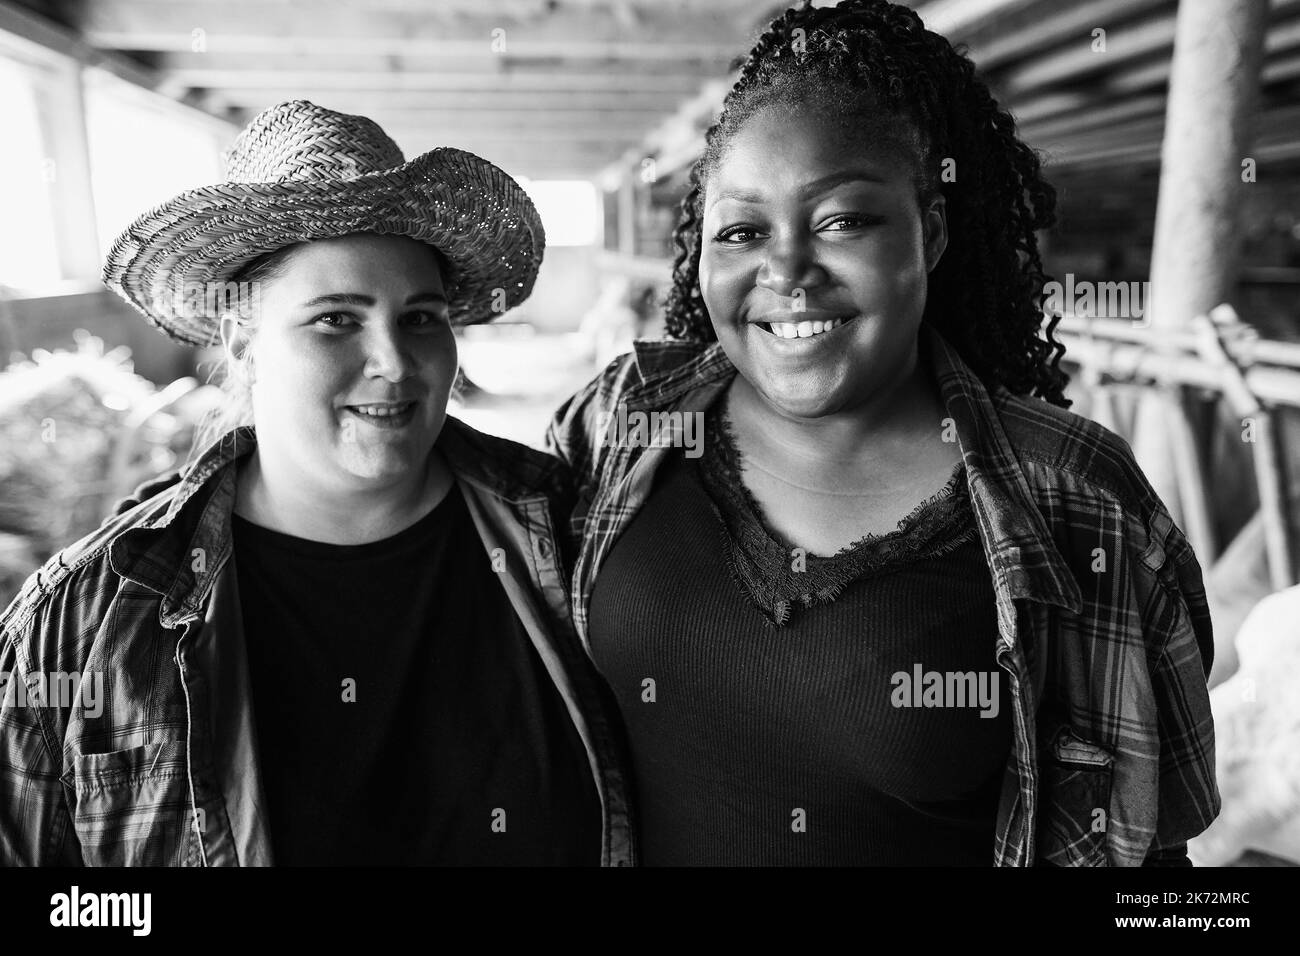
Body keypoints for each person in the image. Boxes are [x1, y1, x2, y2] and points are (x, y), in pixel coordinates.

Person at [546, 0, 1218, 866]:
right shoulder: (622, 424)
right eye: (743, 230)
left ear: (929, 231)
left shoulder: (1078, 498)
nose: (785, 270)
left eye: (842, 220)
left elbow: (1151, 855)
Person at [0, 100, 632, 866]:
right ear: (244, 342)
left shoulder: (570, 540)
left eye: (421, 318)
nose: (394, 362)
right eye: (337, 319)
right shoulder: (87, 620)